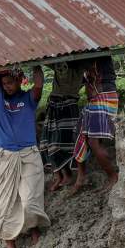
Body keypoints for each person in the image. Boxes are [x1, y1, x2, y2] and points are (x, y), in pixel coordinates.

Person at [0, 68, 50, 248]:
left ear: (20, 80)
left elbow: (38, 85)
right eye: (5, 84)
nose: (8, 87)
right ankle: (11, 247)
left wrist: (36, 62)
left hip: (29, 154)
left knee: (29, 200)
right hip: (6, 157)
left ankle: (33, 229)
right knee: (2, 205)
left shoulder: (29, 98)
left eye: (11, 82)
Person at [71, 56, 119, 193]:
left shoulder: (101, 54)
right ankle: (81, 177)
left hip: (105, 97)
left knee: (93, 142)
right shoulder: (85, 57)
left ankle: (113, 176)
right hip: (94, 99)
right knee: (78, 135)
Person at [40, 60, 83, 191]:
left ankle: (68, 175)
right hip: (54, 105)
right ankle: (60, 175)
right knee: (46, 144)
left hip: (69, 105)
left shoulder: (79, 63)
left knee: (64, 144)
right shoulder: (57, 60)